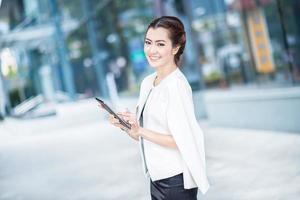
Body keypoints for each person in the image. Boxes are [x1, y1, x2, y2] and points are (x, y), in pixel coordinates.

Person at [103, 16, 209, 200]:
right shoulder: (147, 83)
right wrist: (127, 126)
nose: (152, 50)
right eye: (148, 42)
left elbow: (181, 139)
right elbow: (144, 136)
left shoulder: (176, 86)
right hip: (156, 177)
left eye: (160, 44)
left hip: (176, 181)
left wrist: (141, 130)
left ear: (175, 48)